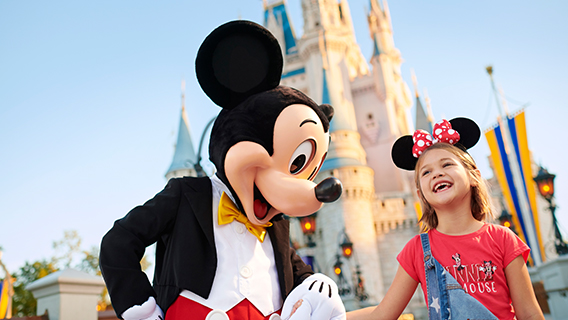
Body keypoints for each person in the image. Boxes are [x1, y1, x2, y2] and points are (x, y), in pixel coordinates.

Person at [347, 118, 544, 320]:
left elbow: (529, 314)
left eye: (447, 164)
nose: (437, 174)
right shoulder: (416, 250)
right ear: (420, 193)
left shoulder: (503, 239)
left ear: (473, 176)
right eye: (426, 172)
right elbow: (383, 314)